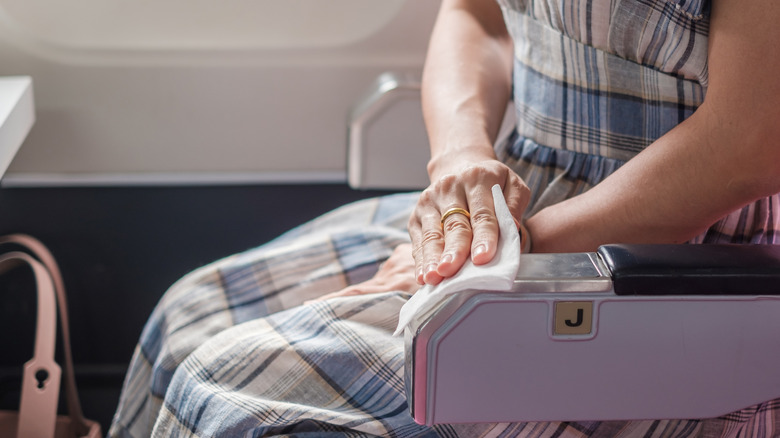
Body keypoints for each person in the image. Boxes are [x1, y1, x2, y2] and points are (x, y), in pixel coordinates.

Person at [109, 0, 780, 436]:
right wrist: (461, 157)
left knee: (234, 397)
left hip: (664, 260)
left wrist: (495, 260)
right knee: (188, 315)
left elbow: (748, 145)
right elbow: (477, 16)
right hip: (527, 199)